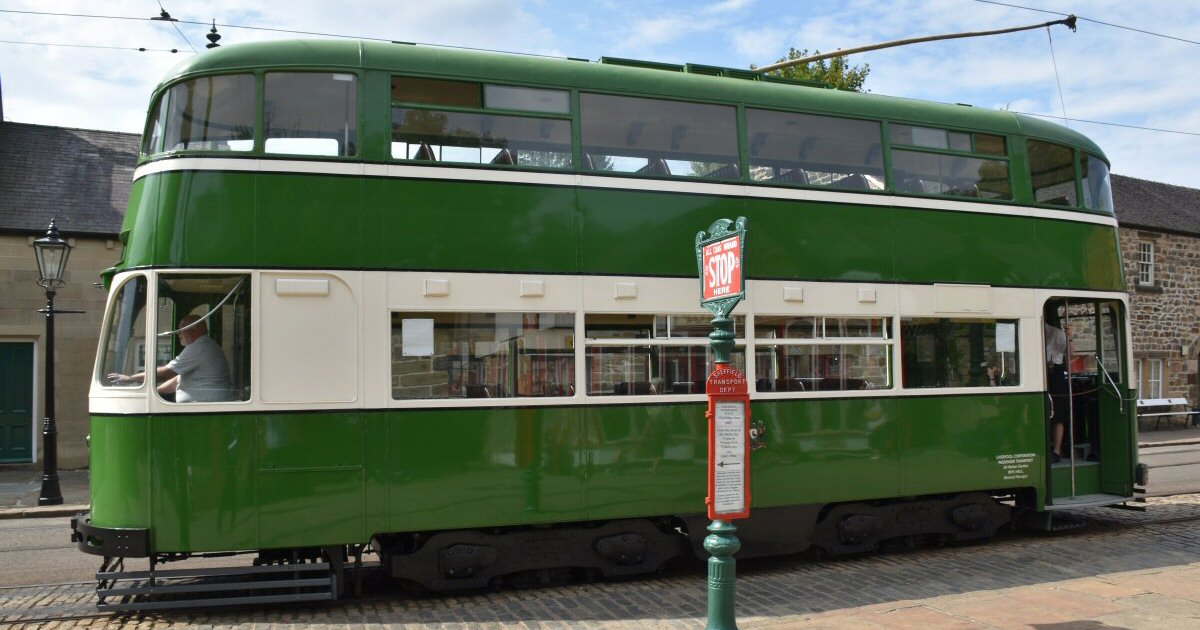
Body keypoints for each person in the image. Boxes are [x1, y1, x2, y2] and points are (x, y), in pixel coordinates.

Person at [109, 315, 233, 402]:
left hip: (204, 412)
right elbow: (178, 380)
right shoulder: (202, 346)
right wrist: (156, 391)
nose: (179, 335)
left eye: (180, 331)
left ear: (194, 331)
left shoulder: (200, 347)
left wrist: (130, 378)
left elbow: (165, 373)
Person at [1045, 319, 1070, 463]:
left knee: (1058, 413)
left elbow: (1070, 351)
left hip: (1055, 371)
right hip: (1040, 371)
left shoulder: (1056, 333)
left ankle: (1057, 450)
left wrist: (1070, 336)